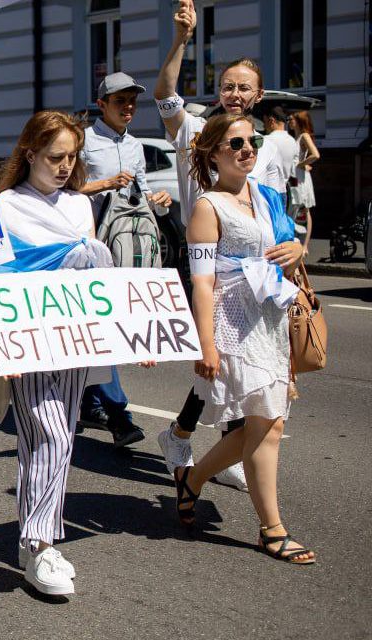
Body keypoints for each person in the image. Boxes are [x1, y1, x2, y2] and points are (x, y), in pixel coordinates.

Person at [0, 110, 155, 596]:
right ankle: (38, 543)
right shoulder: (6, 206)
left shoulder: (81, 207)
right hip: (29, 342)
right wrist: (4, 348)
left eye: (72, 157)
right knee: (52, 436)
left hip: (75, 339)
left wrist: (131, 331)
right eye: (55, 156)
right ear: (29, 154)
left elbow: (97, 281)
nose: (65, 165)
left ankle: (34, 539)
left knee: (51, 440)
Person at [153, 0, 304, 487]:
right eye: (228, 85)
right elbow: (164, 95)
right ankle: (218, 449)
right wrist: (181, 39)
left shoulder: (271, 146)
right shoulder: (195, 129)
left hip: (259, 272)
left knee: (237, 367)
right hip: (209, 264)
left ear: (258, 96)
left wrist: (296, 256)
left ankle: (187, 436)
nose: (235, 94)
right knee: (226, 361)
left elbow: (278, 214)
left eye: (244, 87)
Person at [175, 113, 315, 565]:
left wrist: (299, 249)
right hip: (233, 323)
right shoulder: (206, 207)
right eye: (235, 144)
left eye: (251, 141)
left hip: (270, 319)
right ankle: (272, 530)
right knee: (268, 425)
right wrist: (206, 344)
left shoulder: (268, 196)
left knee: (262, 421)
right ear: (214, 153)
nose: (247, 149)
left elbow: (289, 249)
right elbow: (202, 283)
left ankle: (192, 480)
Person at [75, 71, 172, 447]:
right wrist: (102, 184)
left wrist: (157, 203)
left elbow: (141, 192)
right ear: (102, 105)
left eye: (132, 101)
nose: (128, 108)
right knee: (100, 329)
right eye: (120, 102)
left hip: (125, 249)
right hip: (88, 248)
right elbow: (65, 188)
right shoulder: (84, 142)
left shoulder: (135, 146)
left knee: (96, 332)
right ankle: (119, 416)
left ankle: (86, 402)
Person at [290, 111, 320, 255]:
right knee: (296, 208)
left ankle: (305, 244)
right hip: (297, 176)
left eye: (292, 119)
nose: (290, 121)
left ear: (299, 121)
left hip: (301, 176)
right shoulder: (295, 137)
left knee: (304, 209)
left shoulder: (304, 136)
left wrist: (302, 164)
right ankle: (299, 241)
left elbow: (315, 154)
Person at [258, 106, 299, 197]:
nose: (264, 126)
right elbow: (294, 168)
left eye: (264, 122)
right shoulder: (292, 141)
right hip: (284, 191)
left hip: (267, 192)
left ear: (271, 121)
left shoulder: (266, 140)